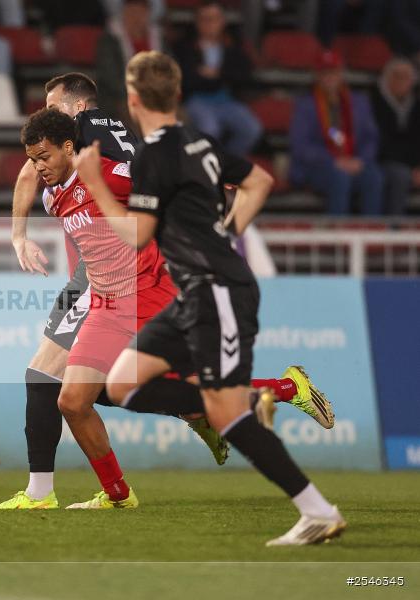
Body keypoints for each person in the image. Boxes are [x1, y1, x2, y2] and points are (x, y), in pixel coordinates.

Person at [0, 72, 332, 510]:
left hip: (150, 289)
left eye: (42, 155)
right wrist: (21, 236)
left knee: (145, 390)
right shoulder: (57, 188)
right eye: (32, 158)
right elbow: (29, 177)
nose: (36, 167)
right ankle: (118, 495)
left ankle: (283, 398)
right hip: (103, 296)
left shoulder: (98, 151)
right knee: (78, 398)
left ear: (70, 131)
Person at [83, 50, 345, 545]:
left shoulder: (153, 157)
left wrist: (95, 181)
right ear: (178, 94)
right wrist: (229, 232)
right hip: (196, 291)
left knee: (224, 414)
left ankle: (317, 510)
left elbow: (137, 235)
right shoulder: (199, 143)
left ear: (133, 100)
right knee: (121, 384)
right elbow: (259, 181)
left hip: (218, 291)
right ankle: (251, 399)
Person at [289, 50, 383, 215]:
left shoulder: (359, 102)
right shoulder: (305, 105)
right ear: (317, 75)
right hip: (318, 167)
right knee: (340, 178)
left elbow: (371, 138)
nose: (330, 77)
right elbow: (301, 146)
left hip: (353, 162)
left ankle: (371, 233)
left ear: (341, 74)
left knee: (374, 177)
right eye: (325, 72)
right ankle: (338, 234)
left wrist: (360, 160)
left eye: (334, 72)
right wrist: (334, 161)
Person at [174, 0, 261, 156]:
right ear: (197, 22)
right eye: (204, 19)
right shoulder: (185, 46)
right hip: (196, 99)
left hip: (226, 99)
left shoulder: (233, 45)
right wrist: (211, 78)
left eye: (214, 19)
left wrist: (218, 74)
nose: (209, 24)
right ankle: (206, 170)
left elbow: (246, 74)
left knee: (251, 128)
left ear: (222, 21)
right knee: (210, 129)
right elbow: (185, 79)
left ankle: (227, 165)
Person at [96, 0, 162, 119]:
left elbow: (168, 67)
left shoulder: (158, 38)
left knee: (179, 117)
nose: (136, 17)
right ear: (124, 13)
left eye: (141, 12)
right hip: (121, 98)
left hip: (155, 96)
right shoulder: (110, 39)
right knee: (137, 117)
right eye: (132, 12)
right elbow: (111, 78)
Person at [371, 57, 420, 215]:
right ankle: (393, 231)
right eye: (397, 76)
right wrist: (411, 167)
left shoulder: (416, 104)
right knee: (400, 176)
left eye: (406, 77)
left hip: (410, 164)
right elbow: (379, 141)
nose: (402, 81)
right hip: (382, 160)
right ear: (387, 78)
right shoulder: (374, 102)